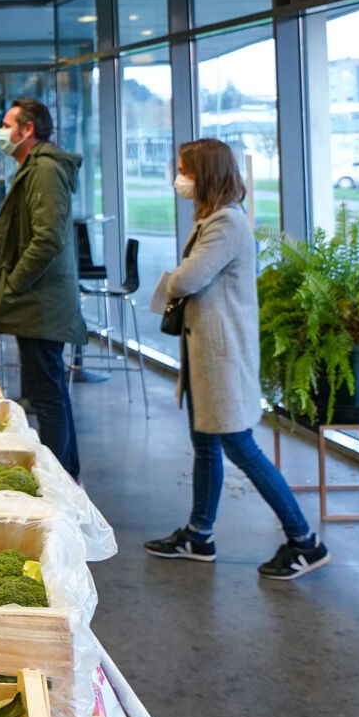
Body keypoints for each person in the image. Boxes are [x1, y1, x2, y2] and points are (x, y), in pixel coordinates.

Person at [145, 140, 330, 580]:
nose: (179, 180)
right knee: (207, 447)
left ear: (205, 175)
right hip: (206, 356)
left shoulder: (226, 223)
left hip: (221, 360)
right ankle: (199, 534)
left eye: (184, 171)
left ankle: (305, 542)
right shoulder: (215, 219)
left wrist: (172, 280)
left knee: (241, 448)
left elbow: (189, 278)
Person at [0, 97, 86, 479]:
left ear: (28, 130)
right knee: (48, 389)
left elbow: (47, 240)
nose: (2, 132)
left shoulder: (44, 171)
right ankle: (66, 473)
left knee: (47, 394)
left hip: (41, 302)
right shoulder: (34, 168)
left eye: (8, 124)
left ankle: (61, 477)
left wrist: (13, 282)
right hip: (37, 302)